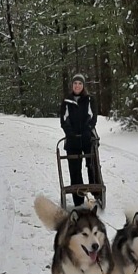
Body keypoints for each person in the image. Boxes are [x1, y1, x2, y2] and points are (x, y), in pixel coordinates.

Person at [60, 73, 98, 206]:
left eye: (80, 83)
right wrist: (70, 133)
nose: (77, 86)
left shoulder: (89, 100)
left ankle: (96, 191)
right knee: (75, 169)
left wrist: (87, 130)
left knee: (92, 164)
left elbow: (93, 117)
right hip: (72, 140)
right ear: (72, 85)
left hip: (87, 138)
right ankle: (78, 198)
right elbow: (64, 120)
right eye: (75, 83)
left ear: (83, 86)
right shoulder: (66, 101)